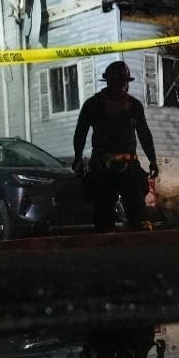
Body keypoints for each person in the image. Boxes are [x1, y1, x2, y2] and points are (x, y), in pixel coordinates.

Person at [72, 60, 159, 232]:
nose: (122, 86)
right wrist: (77, 157)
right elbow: (80, 132)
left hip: (129, 167)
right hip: (103, 168)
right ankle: (108, 255)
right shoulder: (94, 105)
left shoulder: (134, 106)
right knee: (103, 220)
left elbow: (144, 134)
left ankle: (141, 254)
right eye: (119, 82)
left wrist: (153, 160)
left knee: (140, 218)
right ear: (109, 82)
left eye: (124, 82)